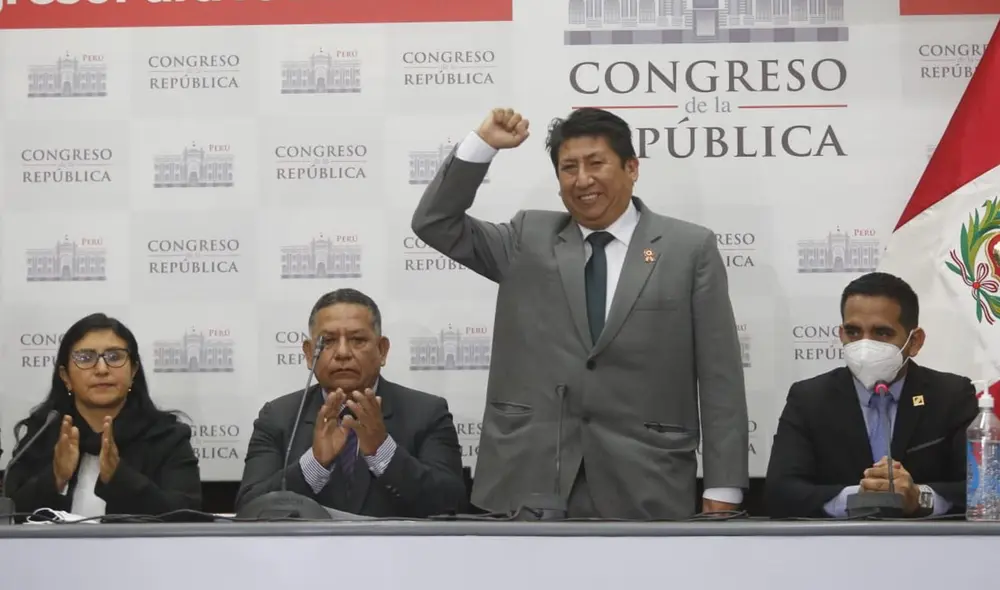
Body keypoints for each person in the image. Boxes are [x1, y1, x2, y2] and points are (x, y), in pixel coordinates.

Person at [411, 107, 749, 519]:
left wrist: (723, 488)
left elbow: (721, 378)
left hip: (646, 482)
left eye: (596, 163)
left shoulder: (689, 249)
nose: (582, 179)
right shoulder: (527, 239)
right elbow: (434, 222)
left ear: (631, 167)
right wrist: (482, 146)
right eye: (568, 168)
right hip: (529, 482)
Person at [236, 288, 466, 517]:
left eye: (357, 340)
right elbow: (250, 509)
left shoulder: (426, 413)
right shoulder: (278, 417)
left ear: (382, 350)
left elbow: (451, 504)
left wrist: (383, 452)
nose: (343, 352)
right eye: (328, 341)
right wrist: (315, 463)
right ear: (308, 354)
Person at [765, 272, 979, 518]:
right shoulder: (808, 399)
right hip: (835, 549)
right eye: (853, 332)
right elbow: (780, 492)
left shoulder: (951, 395)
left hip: (929, 549)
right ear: (841, 334)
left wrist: (920, 497)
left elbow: (985, 489)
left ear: (914, 342)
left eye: (882, 333)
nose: (864, 345)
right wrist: (857, 498)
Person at [3, 313, 202, 518]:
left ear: (133, 371)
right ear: (65, 377)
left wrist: (120, 477)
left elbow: (187, 516)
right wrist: (55, 477)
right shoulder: (41, 436)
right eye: (85, 358)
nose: (101, 369)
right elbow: (9, 516)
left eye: (114, 357)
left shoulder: (167, 438)